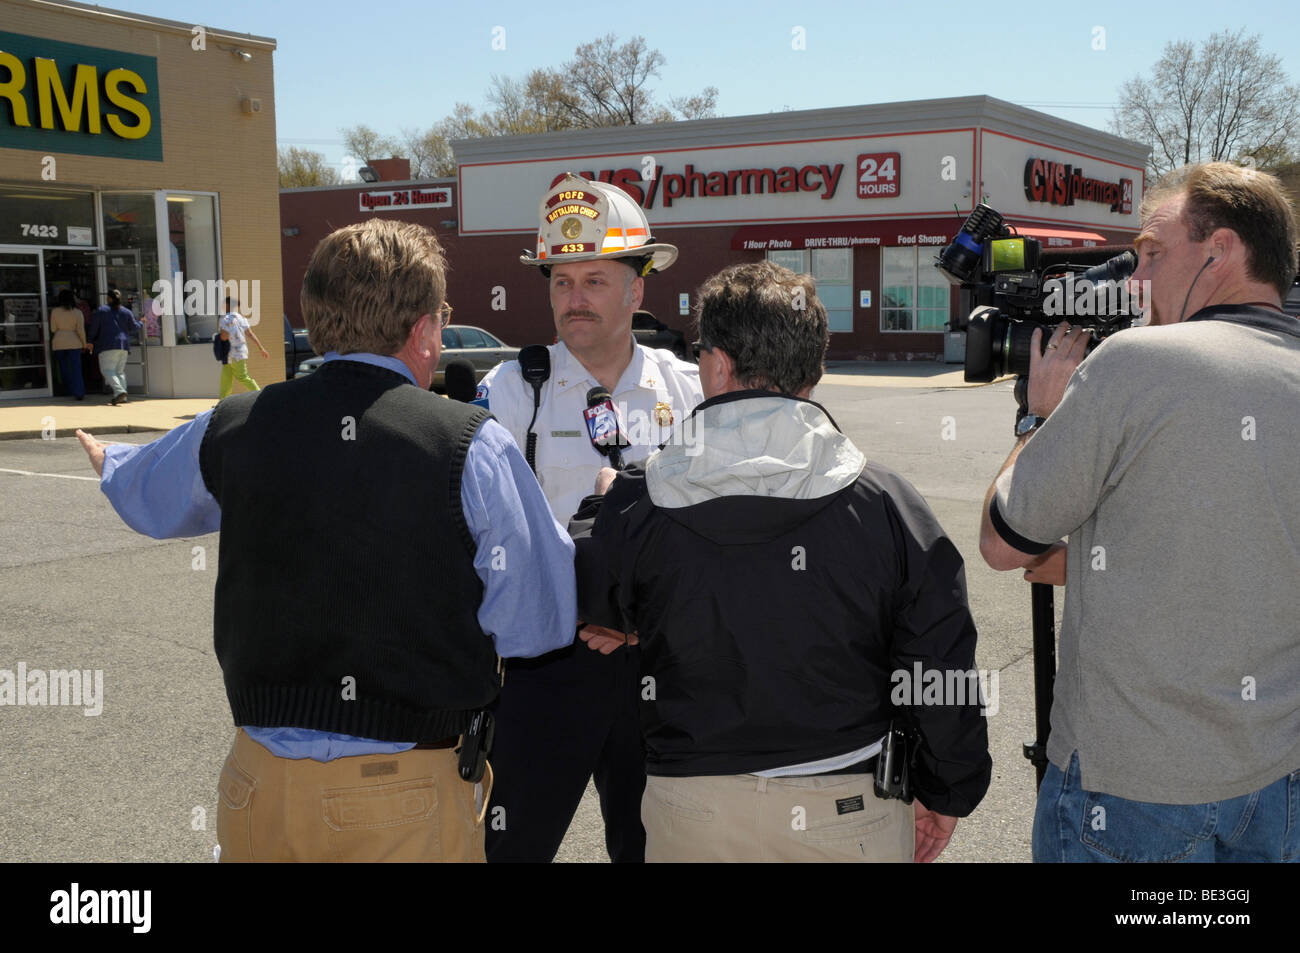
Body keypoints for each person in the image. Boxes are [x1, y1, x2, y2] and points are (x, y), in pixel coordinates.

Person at [75, 219, 578, 862]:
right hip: (404, 795)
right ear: (425, 329)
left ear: (316, 321)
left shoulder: (236, 424)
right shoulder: (469, 443)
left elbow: (146, 495)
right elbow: (538, 621)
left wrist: (110, 458)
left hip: (255, 789)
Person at [570, 261, 991, 862]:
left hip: (693, 809)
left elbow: (589, 601)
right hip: (847, 807)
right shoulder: (888, 503)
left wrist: (600, 509)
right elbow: (941, 661)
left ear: (715, 366)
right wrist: (949, 787)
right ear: (815, 368)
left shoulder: (642, 498)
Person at [979, 161, 1300, 863]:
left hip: (1127, 794)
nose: (1135, 279)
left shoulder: (1134, 362)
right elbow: (1241, 545)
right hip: (1274, 786)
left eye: (1152, 253)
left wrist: (1038, 417)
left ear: (1219, 251)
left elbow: (1004, 542)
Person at [475, 173, 703, 862]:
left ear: (637, 290)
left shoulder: (686, 389)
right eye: (561, 281)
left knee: (652, 850)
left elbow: (712, 527)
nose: (574, 298)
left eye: (595, 281)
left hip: (659, 670)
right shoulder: (513, 391)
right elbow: (481, 535)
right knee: (507, 848)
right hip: (545, 670)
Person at [86, 289, 141, 405]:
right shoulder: (126, 311)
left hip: (107, 345)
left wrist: (90, 340)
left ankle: (120, 391)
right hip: (124, 345)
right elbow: (134, 327)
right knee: (119, 371)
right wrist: (142, 322)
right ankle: (122, 395)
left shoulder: (101, 311)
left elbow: (94, 328)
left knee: (107, 370)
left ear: (108, 298)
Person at [218, 296, 268, 399]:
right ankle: (222, 402)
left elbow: (223, 337)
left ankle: (261, 396)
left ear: (227, 305)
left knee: (241, 377)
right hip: (239, 352)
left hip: (231, 353)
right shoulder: (241, 318)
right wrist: (261, 348)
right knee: (227, 378)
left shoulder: (224, 319)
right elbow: (250, 334)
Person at [49, 289, 88, 400]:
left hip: (59, 342)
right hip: (74, 342)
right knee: (76, 369)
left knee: (63, 368)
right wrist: (84, 344)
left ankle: (68, 389)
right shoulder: (77, 312)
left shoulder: (55, 312)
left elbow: (53, 329)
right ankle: (79, 392)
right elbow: (81, 330)